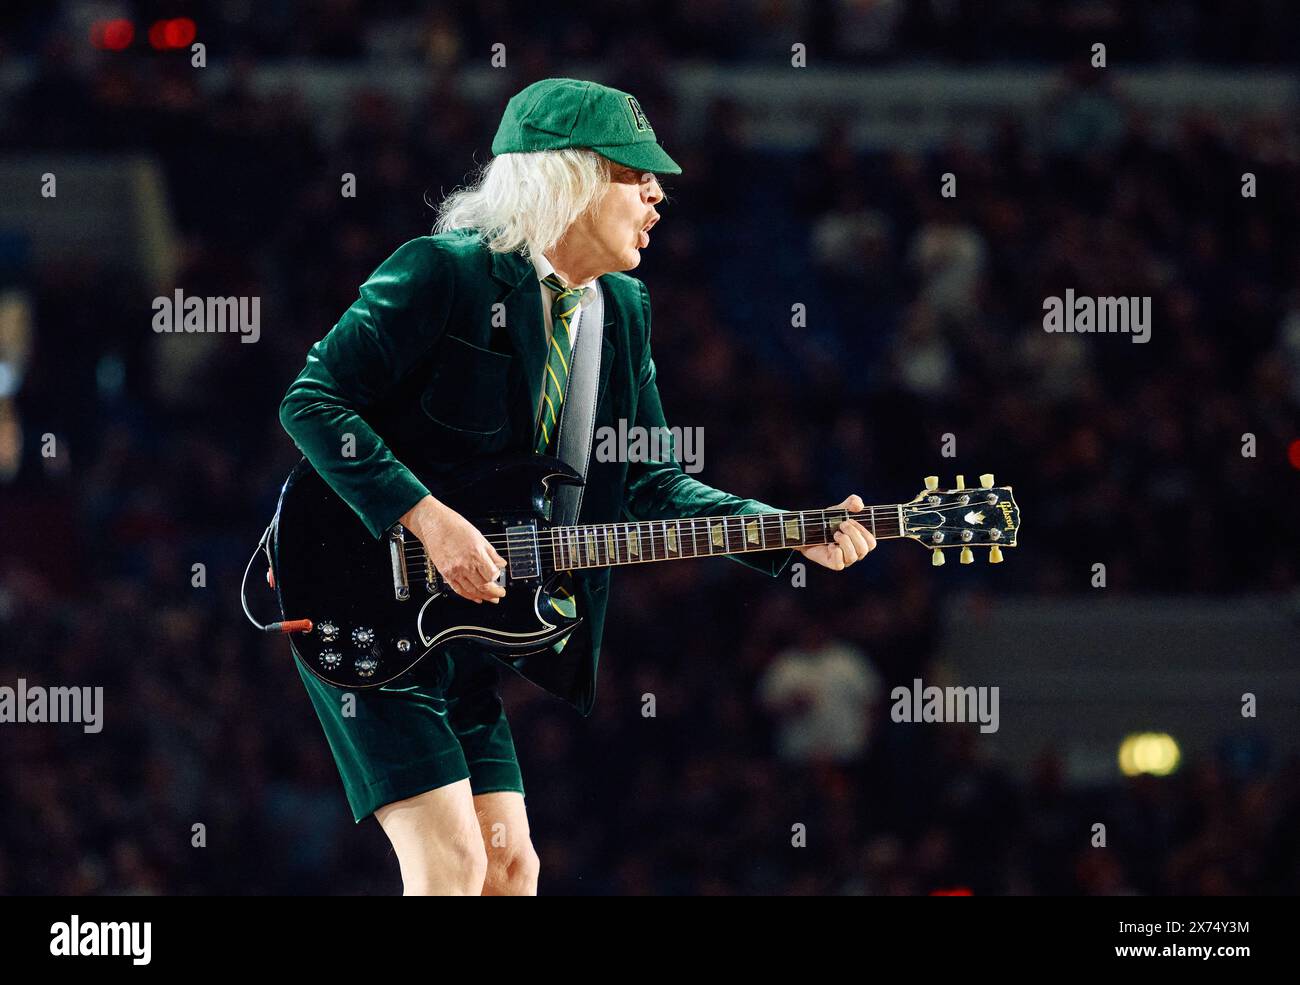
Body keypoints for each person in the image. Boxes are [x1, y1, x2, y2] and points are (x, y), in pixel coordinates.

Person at [278, 78, 877, 895]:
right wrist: (428, 519)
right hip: (360, 593)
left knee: (510, 868)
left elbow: (650, 480)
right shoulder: (442, 273)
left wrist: (782, 528)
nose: (658, 192)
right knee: (450, 864)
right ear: (567, 177)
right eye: (635, 174)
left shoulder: (621, 310)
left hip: (462, 624)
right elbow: (312, 400)